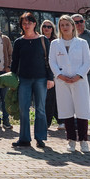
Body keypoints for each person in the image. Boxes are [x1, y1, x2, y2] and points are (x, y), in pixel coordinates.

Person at [49, 15, 90, 152]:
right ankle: (71, 140)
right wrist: (60, 76)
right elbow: (52, 62)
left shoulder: (82, 43)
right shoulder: (55, 44)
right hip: (62, 81)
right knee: (66, 110)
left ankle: (84, 140)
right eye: (62, 25)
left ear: (73, 26)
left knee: (82, 110)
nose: (64, 27)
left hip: (79, 80)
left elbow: (87, 62)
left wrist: (78, 76)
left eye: (67, 24)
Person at [11, 12, 53, 148]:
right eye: (24, 23)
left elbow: (49, 60)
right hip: (24, 79)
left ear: (34, 24)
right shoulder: (18, 42)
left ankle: (40, 138)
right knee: (23, 109)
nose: (27, 25)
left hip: (41, 79)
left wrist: (50, 78)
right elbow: (14, 62)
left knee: (40, 109)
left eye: (29, 23)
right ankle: (24, 139)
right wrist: (12, 79)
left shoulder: (43, 40)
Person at [41, 20, 63, 131]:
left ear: (52, 28)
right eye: (44, 26)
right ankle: (51, 121)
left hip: (55, 72)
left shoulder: (57, 41)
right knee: (47, 98)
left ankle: (57, 121)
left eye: (49, 26)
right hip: (42, 72)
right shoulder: (38, 40)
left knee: (54, 97)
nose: (46, 28)